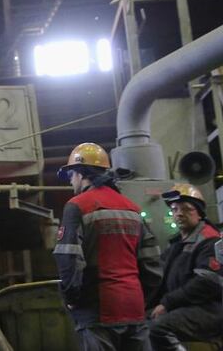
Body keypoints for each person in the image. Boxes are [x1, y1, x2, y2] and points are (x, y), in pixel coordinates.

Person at [53, 142, 162, 350]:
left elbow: (68, 258)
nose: (70, 182)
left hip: (97, 309)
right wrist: (141, 298)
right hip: (134, 307)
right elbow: (152, 263)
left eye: (70, 176)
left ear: (80, 173)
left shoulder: (77, 206)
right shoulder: (133, 209)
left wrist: (71, 299)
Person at [149, 184, 223, 350]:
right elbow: (160, 279)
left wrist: (167, 303)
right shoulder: (177, 245)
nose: (179, 213)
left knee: (160, 327)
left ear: (199, 213)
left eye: (187, 209)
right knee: (143, 322)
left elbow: (207, 283)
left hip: (211, 309)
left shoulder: (209, 240)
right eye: (175, 209)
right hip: (186, 306)